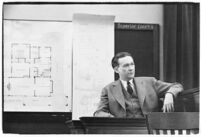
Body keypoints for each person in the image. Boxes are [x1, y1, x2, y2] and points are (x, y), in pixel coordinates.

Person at [94, 52, 183, 118]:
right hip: (122, 130)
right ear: (116, 69)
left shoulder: (150, 82)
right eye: (126, 66)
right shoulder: (108, 89)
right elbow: (98, 113)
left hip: (149, 129)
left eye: (132, 64)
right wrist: (111, 118)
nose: (131, 68)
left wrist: (169, 94)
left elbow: (177, 86)